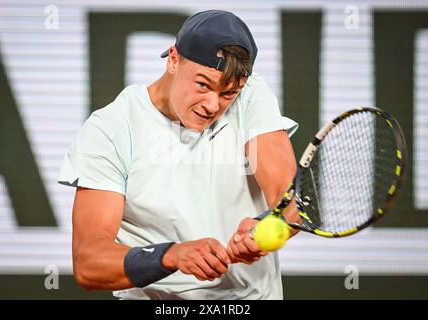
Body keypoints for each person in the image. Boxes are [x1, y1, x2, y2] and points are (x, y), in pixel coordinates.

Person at [58, 9, 299, 300]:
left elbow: (290, 200)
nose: (212, 105)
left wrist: (269, 226)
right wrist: (170, 256)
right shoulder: (111, 128)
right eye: (203, 85)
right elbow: (88, 262)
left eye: (228, 93)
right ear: (173, 59)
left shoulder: (252, 96)